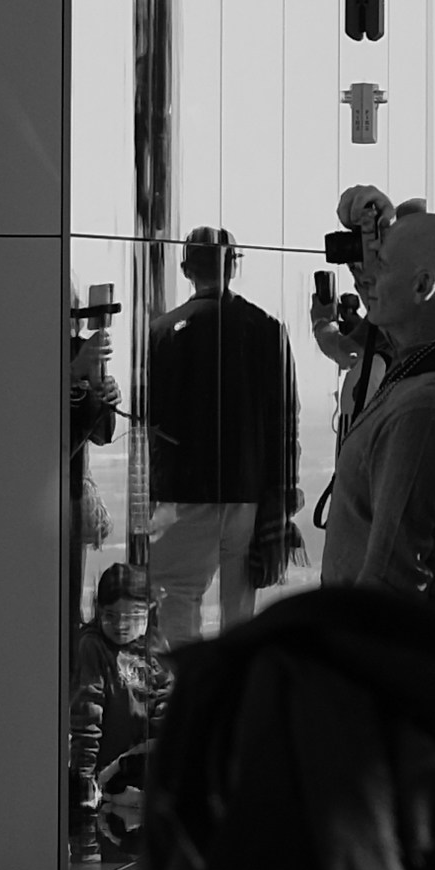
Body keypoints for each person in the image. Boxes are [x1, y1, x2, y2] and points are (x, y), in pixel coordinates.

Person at [140, 226, 301, 647]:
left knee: (176, 605)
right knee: (240, 617)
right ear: (234, 266)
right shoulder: (266, 329)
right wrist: (280, 496)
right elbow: (284, 419)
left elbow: (151, 422)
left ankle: (184, 701)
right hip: (246, 491)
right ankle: (233, 701)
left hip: (183, 492)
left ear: (185, 269)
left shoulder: (163, 333)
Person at [317, 201, 435, 592]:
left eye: (384, 266)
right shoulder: (428, 374)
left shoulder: (426, 408)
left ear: (423, 286)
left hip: (370, 641)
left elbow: (395, 574)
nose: (370, 279)